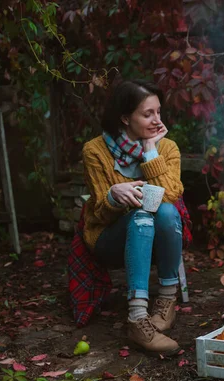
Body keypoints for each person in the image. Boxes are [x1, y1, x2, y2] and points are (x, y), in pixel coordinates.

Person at [81, 80, 183, 355]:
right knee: (141, 218)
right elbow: (99, 214)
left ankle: (166, 300)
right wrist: (113, 196)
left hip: (155, 237)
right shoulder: (95, 151)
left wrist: (150, 151)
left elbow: (171, 194)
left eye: (159, 112)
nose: (157, 120)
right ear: (125, 118)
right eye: (147, 114)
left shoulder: (166, 148)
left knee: (165, 210)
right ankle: (137, 317)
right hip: (110, 238)